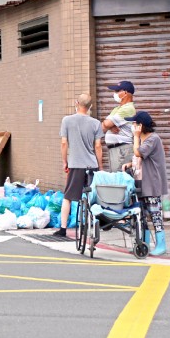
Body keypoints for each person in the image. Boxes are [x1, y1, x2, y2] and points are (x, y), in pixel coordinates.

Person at [53, 94, 104, 237]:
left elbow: (64, 143)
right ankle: (94, 223)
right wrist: (100, 166)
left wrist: (65, 162)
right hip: (91, 165)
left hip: (75, 164)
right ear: (90, 107)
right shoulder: (96, 123)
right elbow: (98, 146)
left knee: (68, 196)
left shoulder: (67, 120)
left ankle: (63, 229)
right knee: (92, 196)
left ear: (76, 103)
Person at [122, 111, 168, 256]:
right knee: (141, 216)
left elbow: (138, 153)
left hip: (152, 184)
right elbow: (139, 158)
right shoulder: (143, 139)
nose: (132, 126)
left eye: (134, 124)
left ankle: (161, 245)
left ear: (140, 126)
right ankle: (144, 244)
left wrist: (136, 137)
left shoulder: (153, 139)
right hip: (141, 183)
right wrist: (130, 164)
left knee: (155, 215)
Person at [101, 80, 136, 173]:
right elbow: (102, 127)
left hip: (122, 150)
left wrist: (109, 125)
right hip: (116, 150)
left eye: (117, 91)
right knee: (116, 180)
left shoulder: (128, 109)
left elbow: (107, 124)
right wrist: (110, 126)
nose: (114, 94)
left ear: (125, 93)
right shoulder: (117, 108)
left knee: (120, 180)